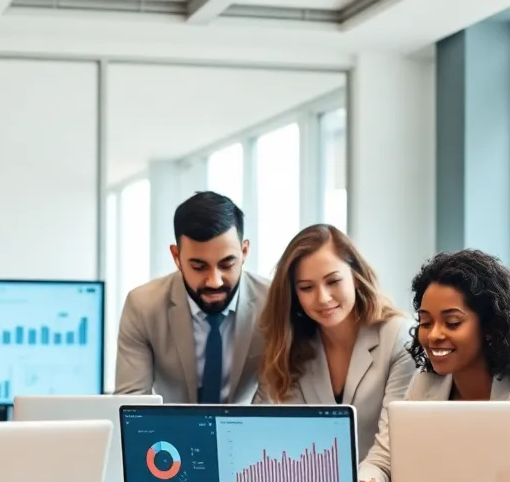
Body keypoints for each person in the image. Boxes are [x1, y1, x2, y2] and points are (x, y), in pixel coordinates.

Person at [359, 250, 510, 482]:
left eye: (452, 322)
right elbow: (381, 460)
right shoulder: (424, 383)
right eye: (426, 322)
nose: (434, 335)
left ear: (490, 327)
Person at [254, 224, 413, 461]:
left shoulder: (399, 336)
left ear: (356, 277)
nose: (323, 298)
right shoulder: (288, 344)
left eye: (333, 281)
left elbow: (391, 445)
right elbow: (261, 432)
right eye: (306, 288)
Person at [114, 191, 270, 404]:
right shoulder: (143, 306)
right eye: (199, 266)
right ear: (176, 257)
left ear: (244, 252)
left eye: (227, 265)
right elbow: (130, 404)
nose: (214, 281)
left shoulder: (273, 303)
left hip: (247, 432)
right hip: (169, 432)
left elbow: (273, 403)